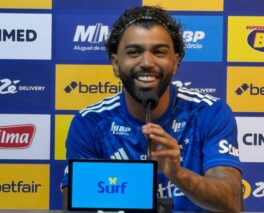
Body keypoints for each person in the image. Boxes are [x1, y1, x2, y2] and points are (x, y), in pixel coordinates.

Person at [61, 5, 243, 212]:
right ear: (116, 63)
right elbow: (75, 207)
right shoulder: (90, 122)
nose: (147, 62)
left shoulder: (210, 112)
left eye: (159, 52)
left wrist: (177, 173)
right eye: (134, 52)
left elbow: (232, 202)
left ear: (175, 62)